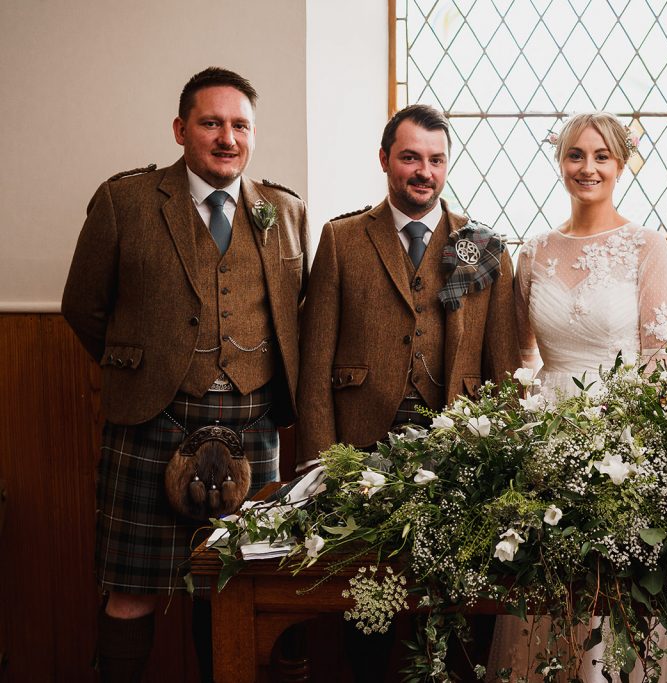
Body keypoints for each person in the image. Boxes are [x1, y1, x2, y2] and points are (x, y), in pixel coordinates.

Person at [61, 67, 308, 682]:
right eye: (211, 123)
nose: (228, 138)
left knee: (232, 587)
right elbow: (83, 306)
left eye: (240, 125)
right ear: (180, 129)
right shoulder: (125, 201)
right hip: (152, 421)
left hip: (252, 425)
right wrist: (142, 373)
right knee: (131, 590)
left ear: (254, 134)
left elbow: (297, 309)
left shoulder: (285, 210)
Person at [296, 103, 521, 681]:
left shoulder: (482, 244)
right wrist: (321, 465)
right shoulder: (342, 238)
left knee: (457, 605)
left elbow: (503, 363)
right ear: (384, 160)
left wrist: (504, 460)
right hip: (360, 445)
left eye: (436, 160)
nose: (424, 171)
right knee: (365, 605)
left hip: (459, 444)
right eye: (411, 158)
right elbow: (315, 361)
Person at [488, 112, 667, 682]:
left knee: (614, 583)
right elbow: (520, 355)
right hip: (547, 433)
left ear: (621, 164)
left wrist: (652, 445)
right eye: (576, 155)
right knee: (552, 580)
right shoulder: (533, 253)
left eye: (601, 156)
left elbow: (660, 357)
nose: (587, 167)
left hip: (624, 430)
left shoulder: (646, 246)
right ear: (560, 161)